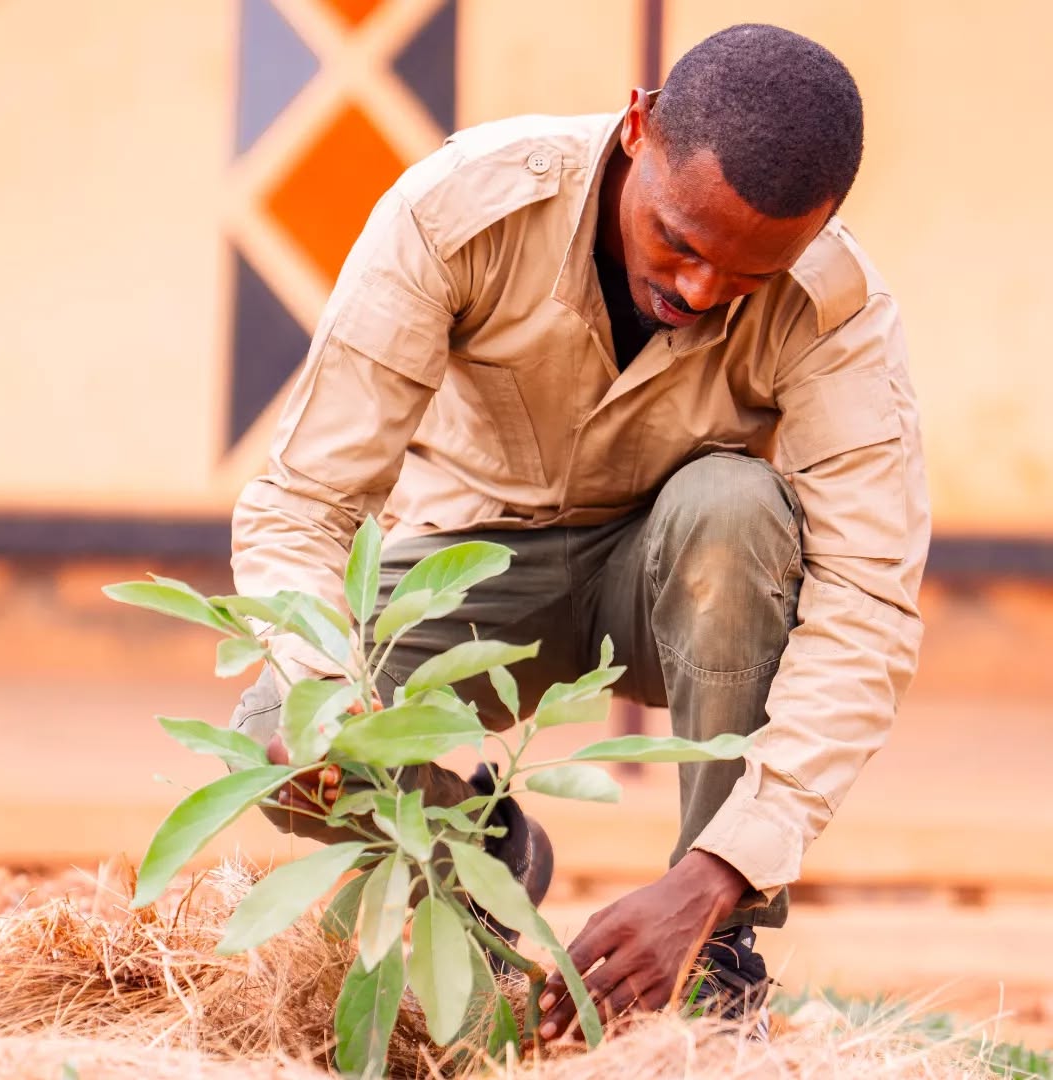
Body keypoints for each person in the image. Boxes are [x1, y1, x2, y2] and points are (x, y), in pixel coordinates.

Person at [229, 23, 929, 1040]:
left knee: (733, 508)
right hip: (469, 568)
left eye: (744, 278)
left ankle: (714, 960)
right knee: (280, 736)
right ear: (640, 128)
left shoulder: (838, 312)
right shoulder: (457, 209)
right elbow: (305, 503)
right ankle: (476, 866)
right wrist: (329, 690)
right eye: (681, 242)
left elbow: (865, 609)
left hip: (679, 589)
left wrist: (719, 874)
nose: (698, 292)